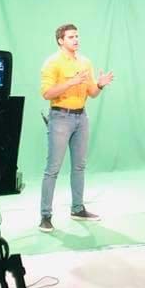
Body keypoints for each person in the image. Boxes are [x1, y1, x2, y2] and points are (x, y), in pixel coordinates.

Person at [38, 23, 113, 233]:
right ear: (61, 40)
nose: (76, 40)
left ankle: (78, 208)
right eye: (71, 37)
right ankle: (45, 215)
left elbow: (91, 92)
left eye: (77, 36)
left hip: (81, 117)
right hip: (60, 117)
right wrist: (70, 82)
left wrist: (100, 84)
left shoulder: (85, 62)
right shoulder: (52, 63)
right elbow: (46, 93)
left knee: (79, 166)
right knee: (52, 169)